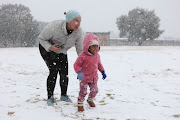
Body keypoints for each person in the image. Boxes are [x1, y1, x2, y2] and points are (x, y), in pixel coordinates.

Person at [38, 10, 84, 106]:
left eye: (80, 21)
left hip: (61, 50)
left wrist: (84, 64)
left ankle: (64, 95)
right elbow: (41, 38)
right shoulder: (54, 26)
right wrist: (50, 47)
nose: (78, 24)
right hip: (46, 48)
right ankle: (50, 97)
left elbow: (80, 50)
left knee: (64, 72)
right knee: (53, 70)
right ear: (69, 20)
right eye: (76, 21)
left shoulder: (79, 32)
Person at [74, 33, 107, 112]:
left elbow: (99, 64)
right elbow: (76, 64)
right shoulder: (83, 55)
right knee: (83, 91)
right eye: (93, 46)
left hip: (93, 78)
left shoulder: (97, 56)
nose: (95, 48)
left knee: (95, 90)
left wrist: (102, 71)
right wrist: (79, 72)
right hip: (84, 78)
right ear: (88, 46)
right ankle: (80, 103)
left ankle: (90, 99)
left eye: (97, 46)